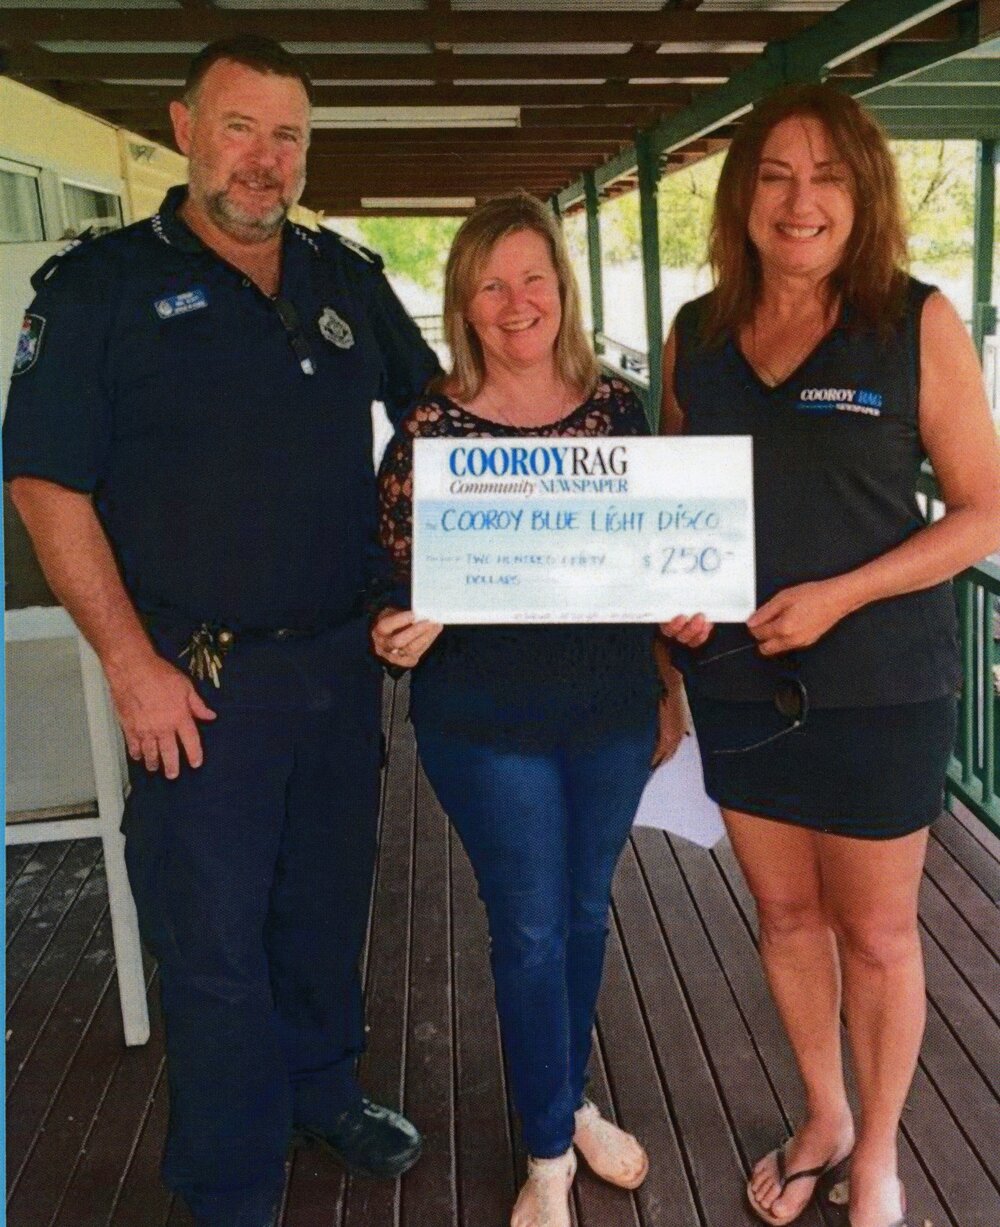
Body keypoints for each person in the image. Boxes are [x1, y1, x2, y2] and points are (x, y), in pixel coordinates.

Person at [3, 36, 440, 1227]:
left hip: (339, 662)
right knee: (209, 934)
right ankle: (232, 1176)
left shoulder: (342, 276)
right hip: (193, 677)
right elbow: (44, 484)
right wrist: (128, 664)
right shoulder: (100, 289)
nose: (264, 158)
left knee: (322, 900)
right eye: (240, 127)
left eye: (287, 135)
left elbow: (437, 424)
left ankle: (323, 1088)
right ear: (184, 127)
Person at [659, 84, 1000, 1227]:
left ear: (863, 195)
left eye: (827, 178)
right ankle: (823, 1117)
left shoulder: (912, 321)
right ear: (740, 197)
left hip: (881, 687)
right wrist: (674, 609)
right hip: (737, 685)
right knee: (787, 920)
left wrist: (841, 595)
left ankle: (881, 1153)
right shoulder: (697, 336)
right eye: (774, 176)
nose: (799, 201)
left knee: (880, 934)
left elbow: (984, 511)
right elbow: (671, 513)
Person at [370, 192, 661, 1227]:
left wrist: (678, 638)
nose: (515, 300)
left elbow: (655, 549)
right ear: (463, 303)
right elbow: (389, 576)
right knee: (532, 927)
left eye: (533, 276)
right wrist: (397, 623)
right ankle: (547, 1152)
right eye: (490, 283)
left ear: (563, 290)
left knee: (582, 913)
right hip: (485, 724)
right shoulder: (429, 428)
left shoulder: (619, 409)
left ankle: (566, 1099)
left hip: (610, 712)